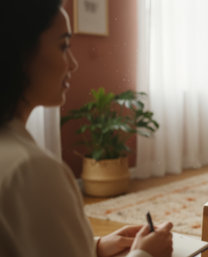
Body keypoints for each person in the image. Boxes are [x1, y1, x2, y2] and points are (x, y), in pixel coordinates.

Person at [0, 1, 172, 257]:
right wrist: (145, 254)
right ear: (19, 52)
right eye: (63, 46)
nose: (73, 64)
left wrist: (93, 246)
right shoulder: (30, 169)